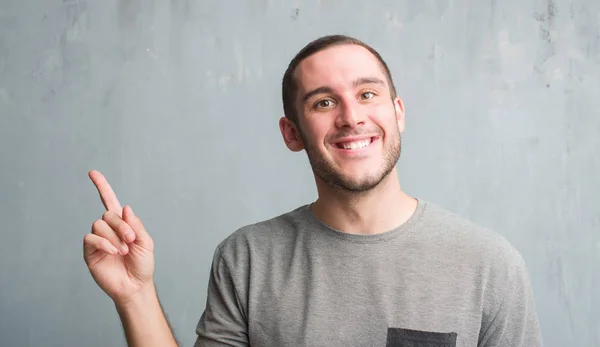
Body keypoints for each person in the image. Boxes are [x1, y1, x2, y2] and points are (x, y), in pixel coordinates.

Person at [83, 35, 543, 347]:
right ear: (292, 133)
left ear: (397, 113)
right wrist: (135, 294)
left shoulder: (489, 265)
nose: (351, 117)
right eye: (324, 102)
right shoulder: (247, 258)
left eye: (367, 94)